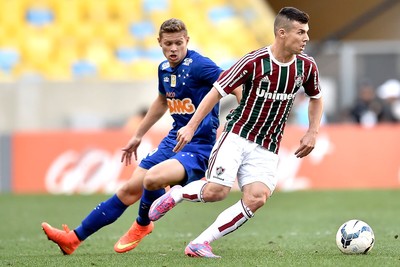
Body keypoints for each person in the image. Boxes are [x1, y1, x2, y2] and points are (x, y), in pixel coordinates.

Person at [41, 18, 241, 255]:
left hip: (199, 146)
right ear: (159, 43)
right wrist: (138, 135)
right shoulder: (164, 69)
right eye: (168, 44)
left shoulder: (200, 65)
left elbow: (233, 84)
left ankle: (143, 224)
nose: (173, 48)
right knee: (130, 189)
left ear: (187, 40)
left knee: (151, 180)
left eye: (178, 43)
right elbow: (162, 100)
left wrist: (242, 112)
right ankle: (73, 239)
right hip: (172, 141)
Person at [148, 7, 324, 258]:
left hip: (268, 145)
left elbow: (316, 98)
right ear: (282, 33)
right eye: (301, 32)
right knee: (216, 192)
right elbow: (216, 91)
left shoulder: (306, 66)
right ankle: (177, 193)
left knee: (257, 197)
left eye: (307, 32)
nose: (306, 37)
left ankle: (201, 243)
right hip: (237, 136)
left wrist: (313, 132)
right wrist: (191, 125)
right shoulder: (254, 61)